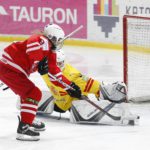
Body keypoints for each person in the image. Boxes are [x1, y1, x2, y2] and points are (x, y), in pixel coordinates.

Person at [0, 23, 82, 141]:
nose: (59, 43)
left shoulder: (50, 51)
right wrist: (40, 60)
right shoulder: (41, 39)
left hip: (14, 70)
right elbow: (32, 46)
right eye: (58, 40)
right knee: (33, 93)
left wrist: (70, 87)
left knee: (29, 93)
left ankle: (28, 118)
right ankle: (24, 128)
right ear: (52, 37)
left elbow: (55, 74)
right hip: (9, 68)